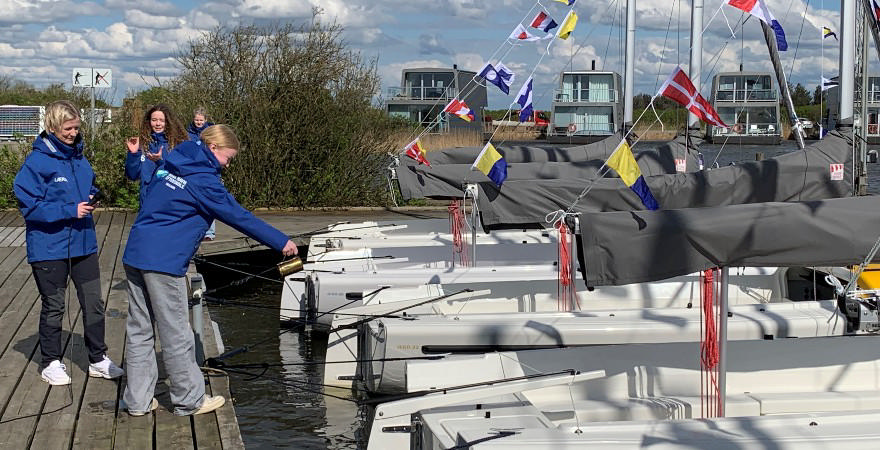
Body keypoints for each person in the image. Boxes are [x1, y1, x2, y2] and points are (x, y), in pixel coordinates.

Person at [121, 124, 298, 416]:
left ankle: (137, 401)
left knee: (139, 330)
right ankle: (188, 400)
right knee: (176, 332)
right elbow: (238, 215)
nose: (227, 165)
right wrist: (282, 242)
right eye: (228, 158)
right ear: (213, 148)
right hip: (164, 262)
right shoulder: (204, 180)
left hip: (136, 253)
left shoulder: (173, 162)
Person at [13, 100, 124, 385]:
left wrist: (92, 196)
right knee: (54, 305)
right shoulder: (37, 162)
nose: (73, 133)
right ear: (52, 126)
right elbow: (29, 207)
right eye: (68, 128)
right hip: (49, 247)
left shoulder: (79, 156)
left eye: (76, 127)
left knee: (93, 302)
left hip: (83, 243)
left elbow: (87, 185)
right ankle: (50, 361)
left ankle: (98, 358)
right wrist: (68, 210)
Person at [125, 104, 187, 206]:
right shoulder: (143, 144)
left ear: (168, 122)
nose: (158, 124)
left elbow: (181, 175)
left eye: (162, 120)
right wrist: (133, 154)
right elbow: (132, 176)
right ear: (149, 122)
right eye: (154, 120)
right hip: (146, 203)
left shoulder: (178, 144)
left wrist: (160, 162)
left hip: (170, 204)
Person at [186, 107, 217, 240]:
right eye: (196, 119)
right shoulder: (188, 133)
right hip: (192, 170)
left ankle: (209, 232)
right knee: (193, 202)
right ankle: (194, 231)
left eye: (201, 120)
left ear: (205, 120)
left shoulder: (211, 133)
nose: (198, 122)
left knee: (209, 201)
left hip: (208, 170)